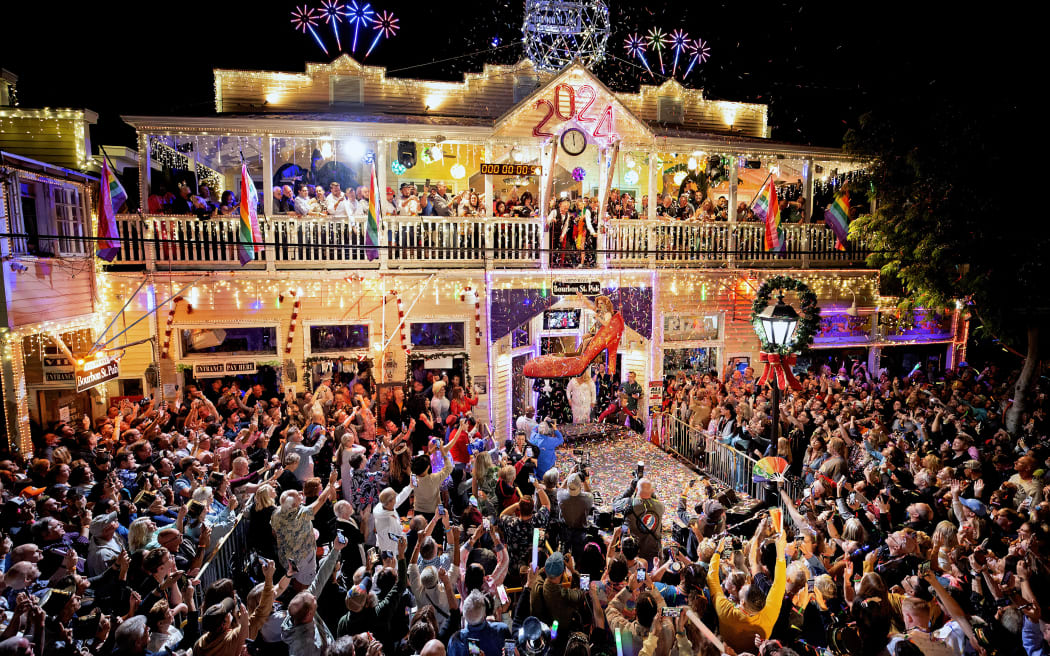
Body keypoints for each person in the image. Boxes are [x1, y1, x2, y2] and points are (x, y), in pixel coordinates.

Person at [625, 478, 664, 561]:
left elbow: (615, 503)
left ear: (636, 489)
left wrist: (630, 489)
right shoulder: (661, 506)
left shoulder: (629, 503)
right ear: (652, 491)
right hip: (653, 552)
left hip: (634, 553)